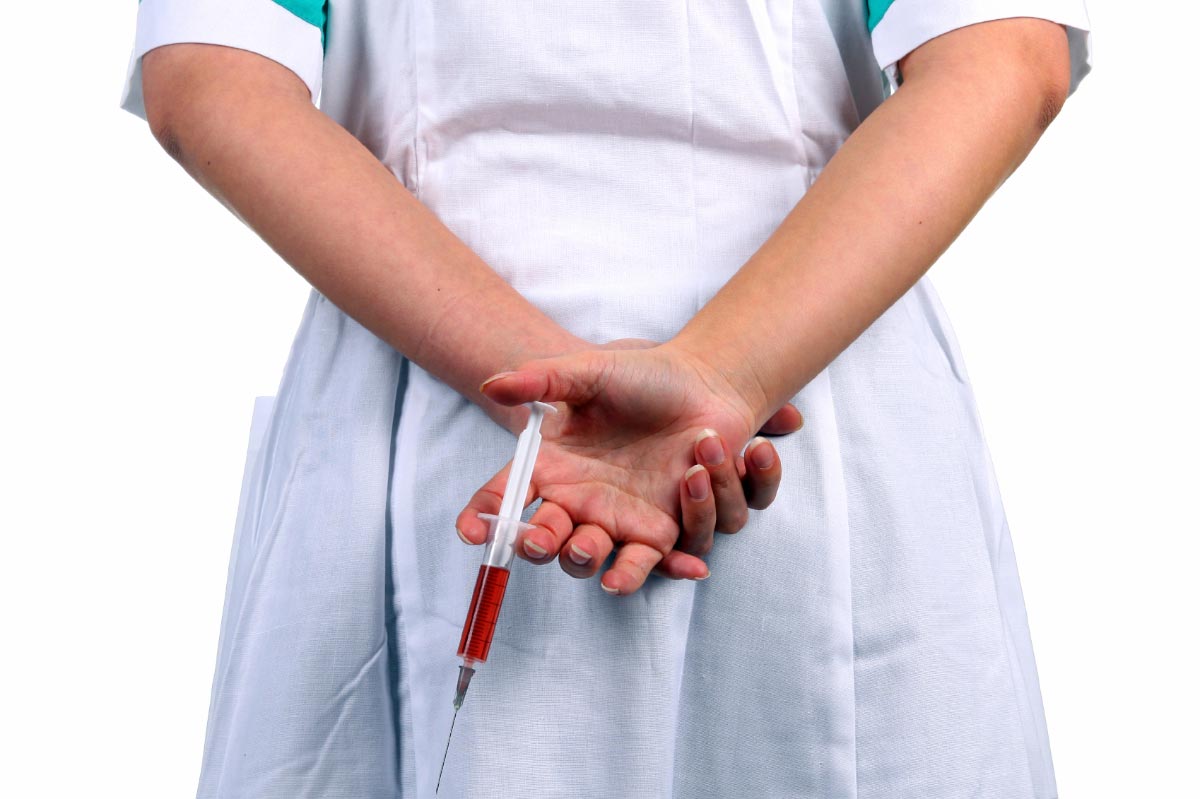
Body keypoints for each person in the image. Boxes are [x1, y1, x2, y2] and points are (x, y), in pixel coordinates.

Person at [121, 0, 1092, 796]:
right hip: (778, 408)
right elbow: (1000, 53)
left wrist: (571, 387)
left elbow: (212, 72)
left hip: (493, 406)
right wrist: (718, 381)